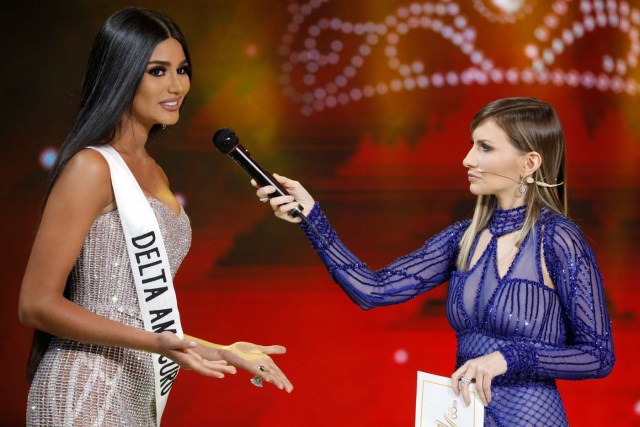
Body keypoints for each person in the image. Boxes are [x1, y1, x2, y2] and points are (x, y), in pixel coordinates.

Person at [255, 97, 614, 426]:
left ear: (530, 162)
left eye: (484, 147)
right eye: (472, 144)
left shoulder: (559, 239)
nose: (468, 159)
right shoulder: (463, 237)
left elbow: (598, 356)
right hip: (462, 417)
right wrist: (312, 218)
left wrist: (509, 358)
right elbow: (373, 291)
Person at [19, 7, 292, 426]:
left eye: (181, 69)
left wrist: (221, 351)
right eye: (157, 71)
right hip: (85, 390)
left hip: (137, 389)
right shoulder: (92, 168)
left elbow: (139, 312)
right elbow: (36, 304)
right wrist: (154, 343)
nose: (177, 85)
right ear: (121, 75)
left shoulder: (155, 171)